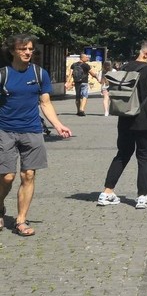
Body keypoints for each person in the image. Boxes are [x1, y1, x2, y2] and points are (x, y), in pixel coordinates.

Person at [0, 34, 73, 236]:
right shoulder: (3, 74)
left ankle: (21, 220)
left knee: (29, 174)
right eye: (23, 49)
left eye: (30, 49)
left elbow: (45, 102)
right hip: (5, 129)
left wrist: (58, 125)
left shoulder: (40, 74)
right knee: (7, 177)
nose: (27, 52)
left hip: (32, 130)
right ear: (13, 51)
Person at [97, 41, 147, 210]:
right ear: (145, 53)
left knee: (122, 155)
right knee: (145, 158)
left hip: (125, 118)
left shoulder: (125, 68)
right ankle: (142, 197)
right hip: (146, 120)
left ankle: (107, 192)